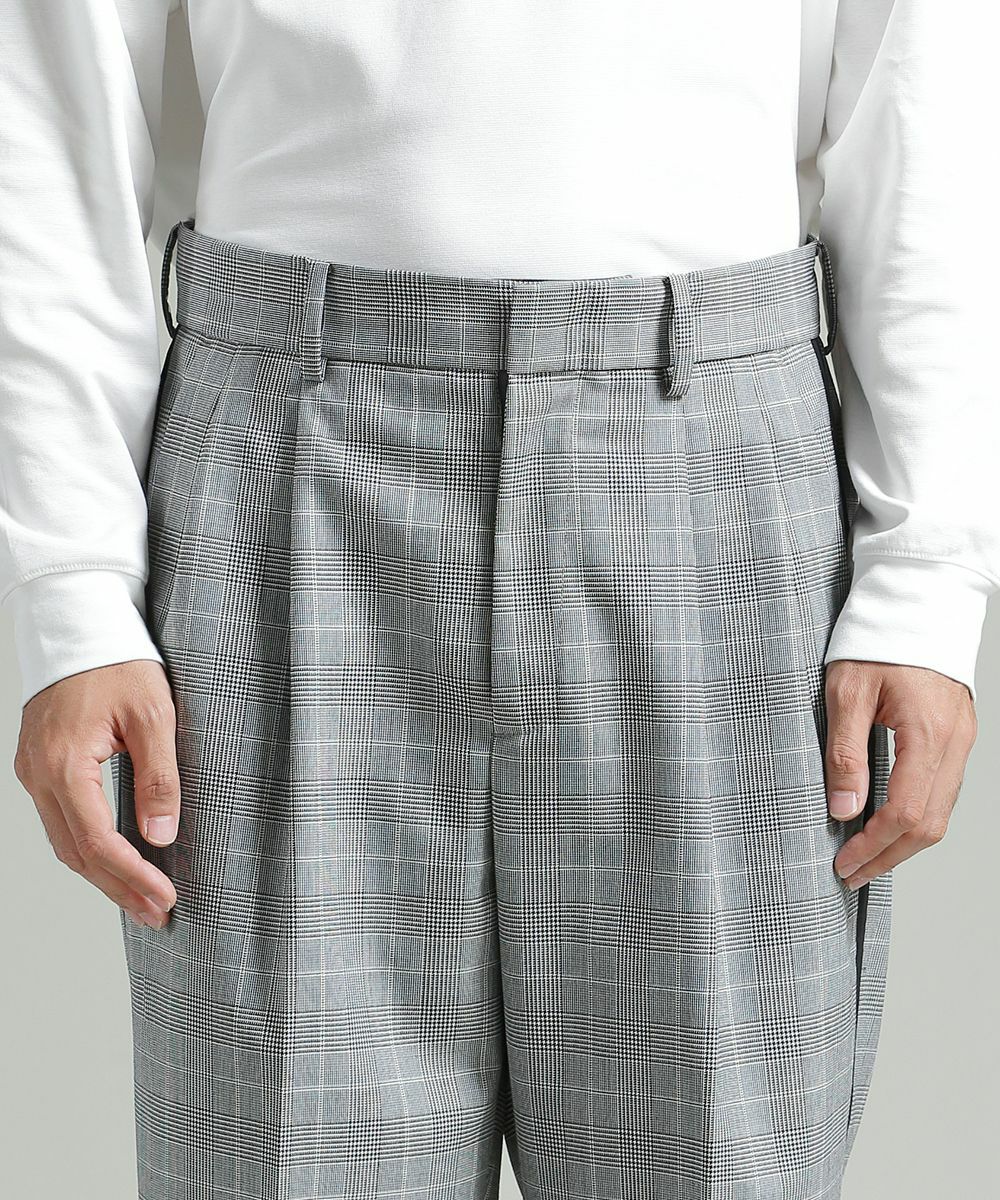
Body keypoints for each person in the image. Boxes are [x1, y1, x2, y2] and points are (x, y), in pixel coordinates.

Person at [0, 2, 994, 1198]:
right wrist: (74, 596)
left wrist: (927, 581)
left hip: (708, 467)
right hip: (289, 468)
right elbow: (50, 114)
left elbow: (920, 106)